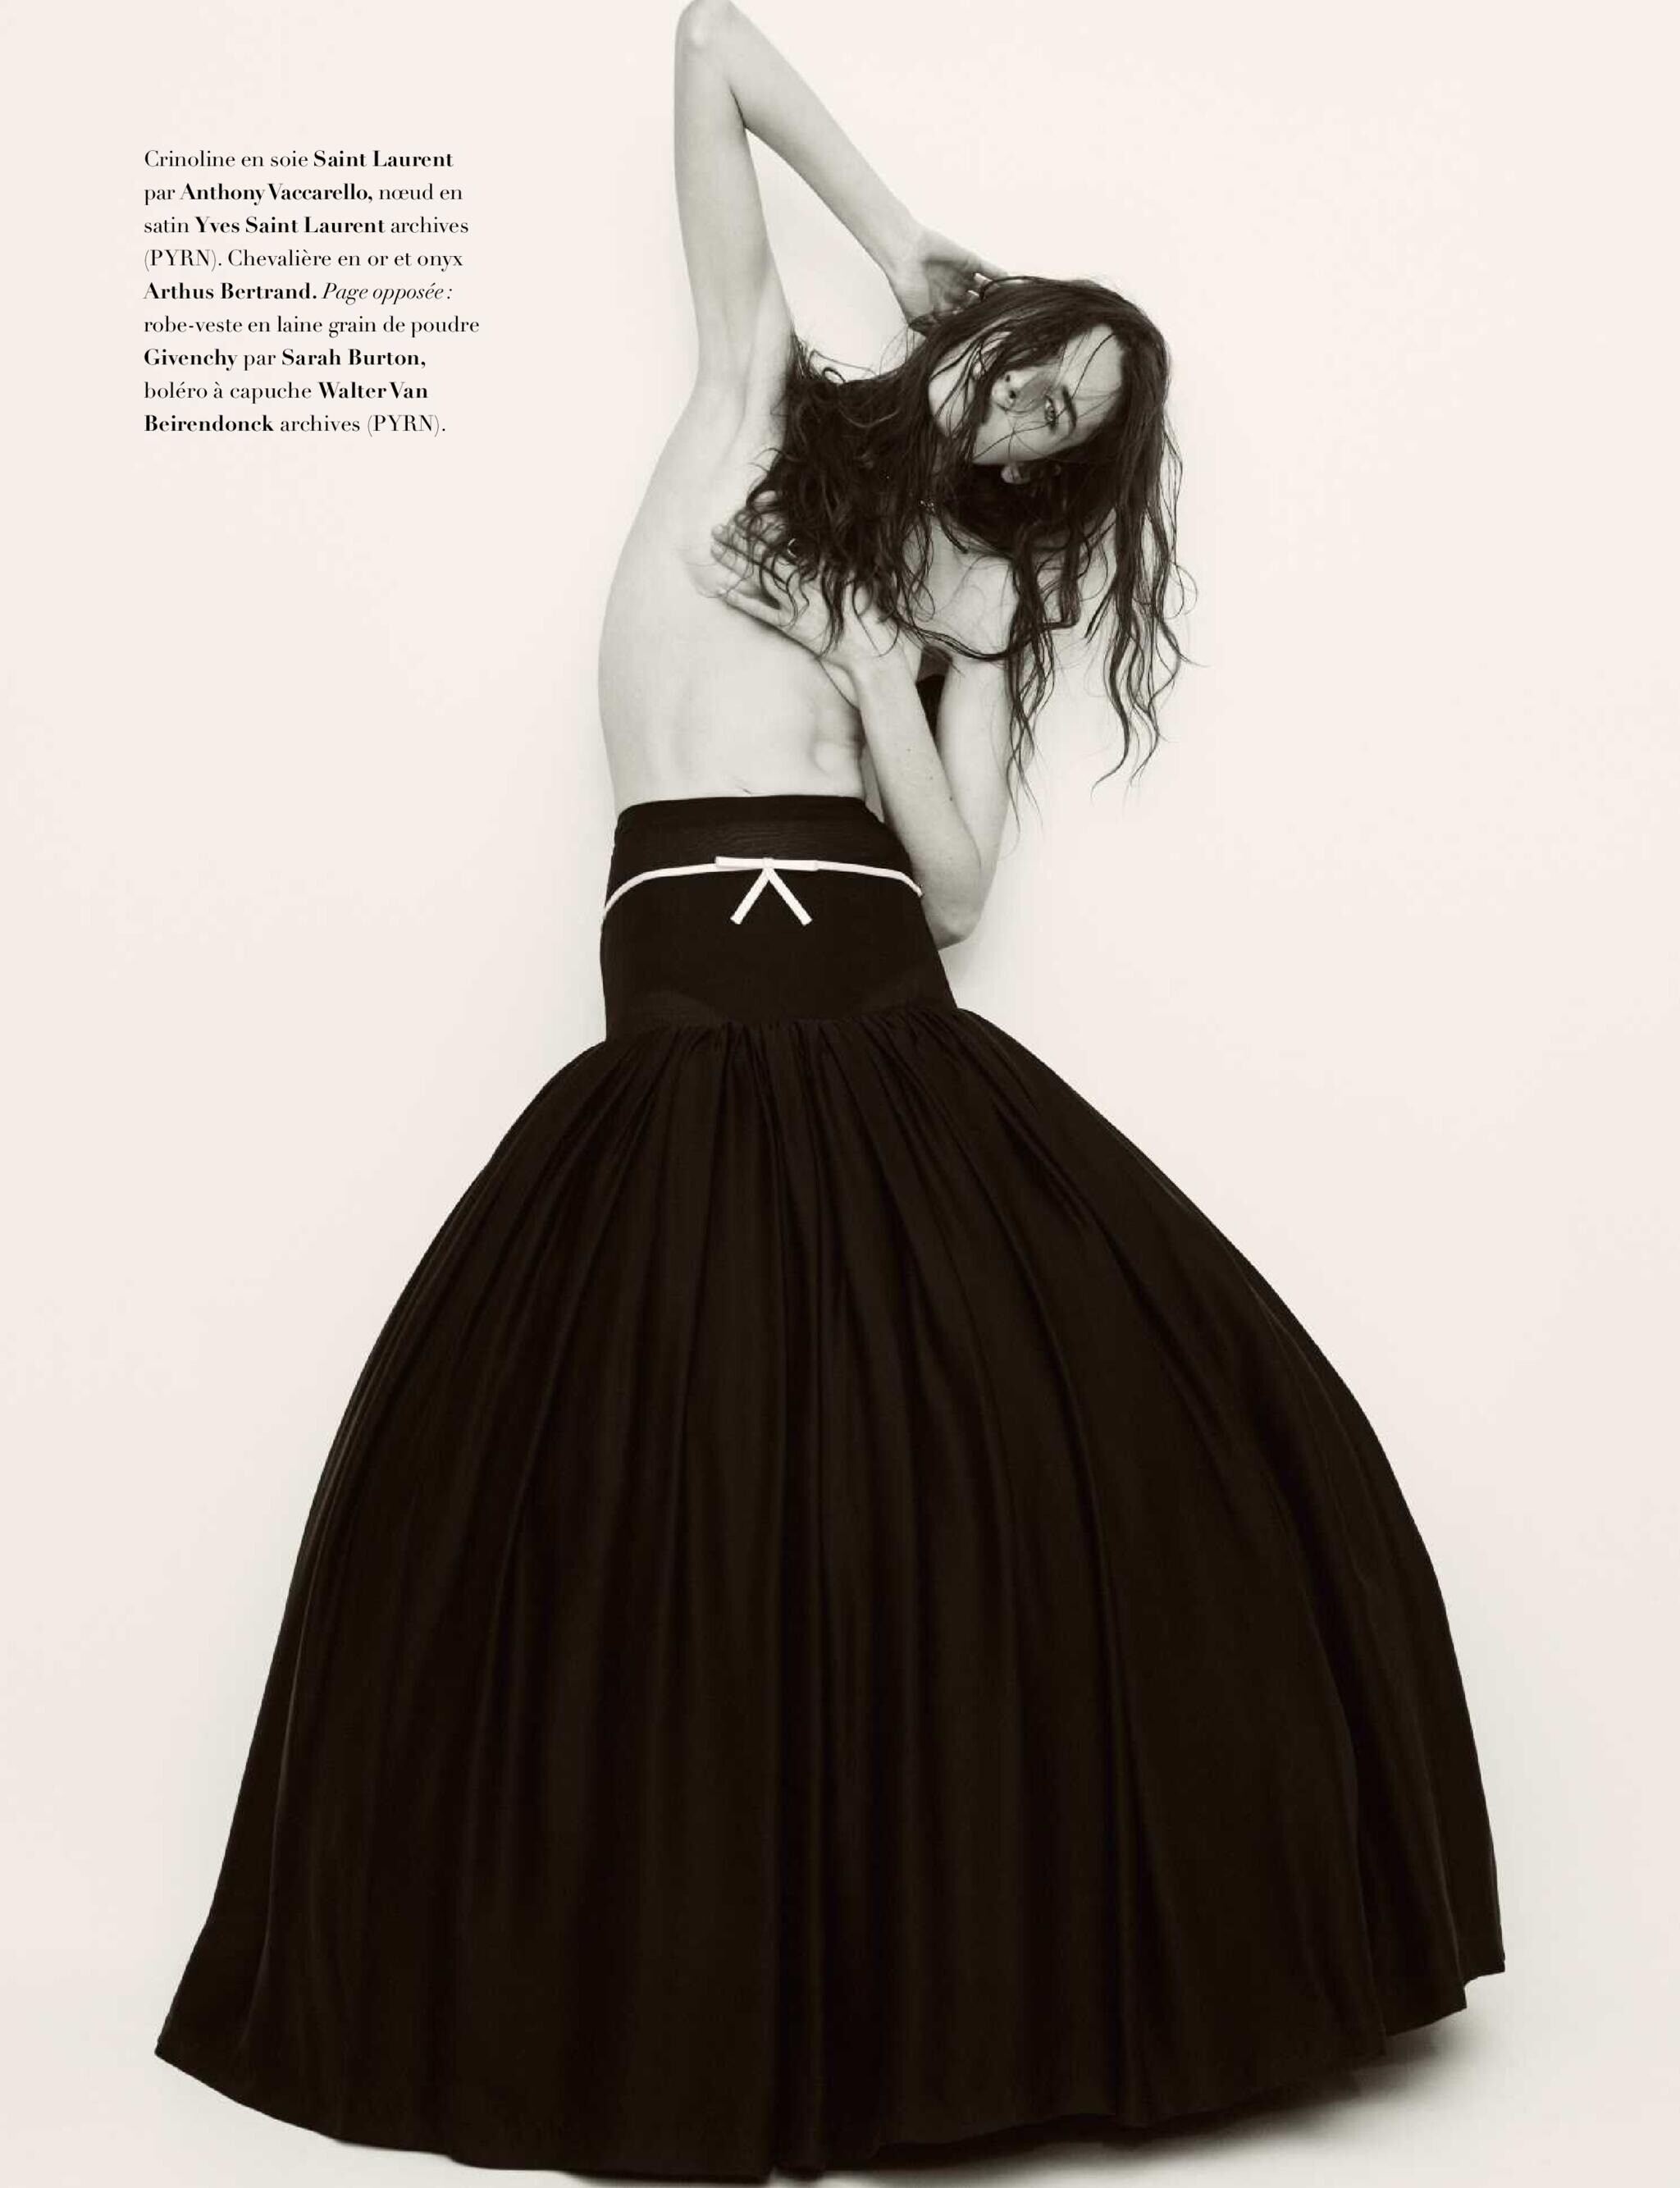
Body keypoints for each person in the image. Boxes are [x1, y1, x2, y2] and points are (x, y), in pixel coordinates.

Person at [153, 2, 1504, 2176]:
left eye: (1075, 420)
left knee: (1036, 1438)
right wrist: (905, 240)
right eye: (1044, 363)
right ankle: (686, 1988)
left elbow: (955, 889)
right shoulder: (746, 405)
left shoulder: (975, 587)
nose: (1040, 411)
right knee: (671, 1471)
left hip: (881, 1006)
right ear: (990, 332)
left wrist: (888, 677)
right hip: (688, 1005)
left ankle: (1016, 1983)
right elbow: (709, 45)